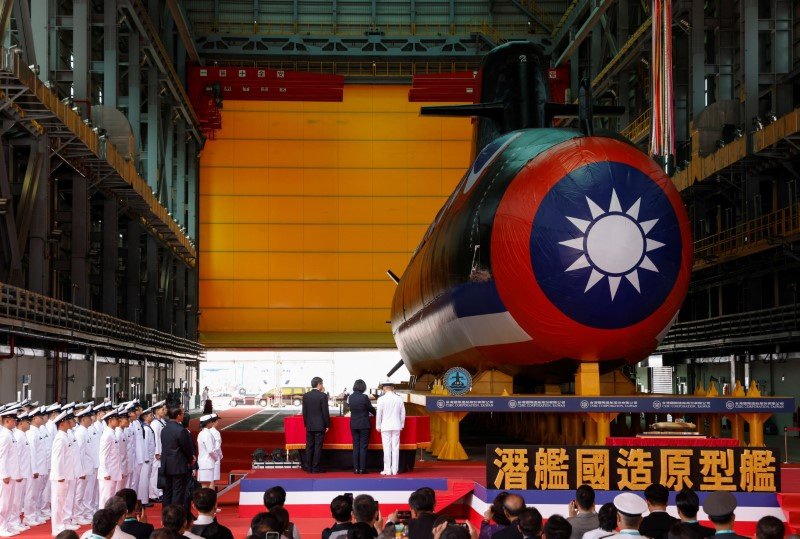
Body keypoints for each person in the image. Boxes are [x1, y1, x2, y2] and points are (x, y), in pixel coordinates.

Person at [160, 405, 196, 512]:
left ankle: (166, 513)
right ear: (178, 415)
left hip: (166, 464)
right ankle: (175, 514)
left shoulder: (164, 429)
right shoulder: (181, 430)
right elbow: (186, 447)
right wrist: (191, 458)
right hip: (178, 464)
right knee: (178, 491)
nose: (183, 415)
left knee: (167, 491)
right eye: (182, 414)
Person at [51, 409, 78, 536]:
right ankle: (57, 527)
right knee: (58, 502)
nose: (70, 423)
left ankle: (62, 524)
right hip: (60, 476)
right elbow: (57, 459)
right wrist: (60, 475)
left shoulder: (65, 436)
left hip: (66, 474)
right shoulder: (60, 438)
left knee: (63, 501)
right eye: (68, 421)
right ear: (62, 423)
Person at [375, 381, 405, 476]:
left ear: (384, 389)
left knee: (386, 448)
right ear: (393, 388)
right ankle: (395, 470)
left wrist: (378, 425)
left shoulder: (381, 399)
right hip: (396, 426)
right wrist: (401, 424)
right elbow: (403, 413)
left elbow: (379, 413)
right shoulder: (399, 399)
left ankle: (387, 470)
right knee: (395, 448)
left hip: (385, 426)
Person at [301, 377, 330, 474]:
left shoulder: (306, 396)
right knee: (318, 446)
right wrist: (327, 425)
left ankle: (308, 467)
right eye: (322, 384)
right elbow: (325, 412)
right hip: (320, 425)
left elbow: (304, 412)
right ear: (319, 384)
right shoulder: (323, 396)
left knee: (309, 446)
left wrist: (306, 423)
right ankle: (315, 468)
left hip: (309, 425)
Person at [0, 406, 20, 537]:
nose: (15, 422)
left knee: (9, 503)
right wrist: (4, 474)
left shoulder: (10, 434)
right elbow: (2, 456)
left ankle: (6, 525)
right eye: (13, 420)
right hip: (6, 475)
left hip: (12, 474)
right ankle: (1, 527)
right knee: (3, 503)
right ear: (7, 420)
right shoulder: (5, 435)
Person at [348, 379, 376, 474]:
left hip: (354, 424)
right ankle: (362, 469)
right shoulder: (364, 397)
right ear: (363, 387)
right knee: (363, 447)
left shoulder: (350, 397)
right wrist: (376, 414)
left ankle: (356, 469)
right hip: (364, 424)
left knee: (356, 446)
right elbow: (370, 409)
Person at [98, 408, 123, 509]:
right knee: (105, 499)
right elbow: (103, 454)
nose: (119, 421)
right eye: (116, 419)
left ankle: (108, 520)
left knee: (110, 498)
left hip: (113, 471)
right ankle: (102, 521)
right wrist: (105, 472)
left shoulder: (112, 432)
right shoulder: (107, 434)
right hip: (108, 473)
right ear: (110, 421)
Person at [148, 401, 167, 503]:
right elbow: (155, 439)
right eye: (162, 409)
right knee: (155, 473)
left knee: (159, 473)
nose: (164, 411)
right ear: (156, 411)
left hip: (162, 451)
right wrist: (157, 452)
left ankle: (159, 492)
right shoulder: (155, 423)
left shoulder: (161, 422)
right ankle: (153, 494)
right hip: (158, 453)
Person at [138, 408, 156, 507]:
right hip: (146, 459)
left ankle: (145, 498)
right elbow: (145, 445)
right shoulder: (145, 428)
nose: (151, 417)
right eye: (150, 415)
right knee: (144, 479)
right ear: (145, 417)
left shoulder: (147, 428)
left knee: (147, 478)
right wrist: (146, 458)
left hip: (149, 457)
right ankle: (143, 500)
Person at [197, 416, 217, 488]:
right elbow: (211, 450)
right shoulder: (207, 434)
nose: (212, 422)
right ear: (208, 423)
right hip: (207, 462)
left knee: (205, 485)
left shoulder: (201, 433)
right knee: (206, 485)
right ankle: (205, 499)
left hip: (203, 461)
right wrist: (216, 457)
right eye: (211, 421)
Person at [208, 415, 223, 486]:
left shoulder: (204, 432)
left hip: (205, 458)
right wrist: (220, 456)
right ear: (213, 422)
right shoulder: (216, 432)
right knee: (212, 481)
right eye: (217, 421)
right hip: (214, 457)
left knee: (206, 481)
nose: (218, 422)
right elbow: (217, 447)